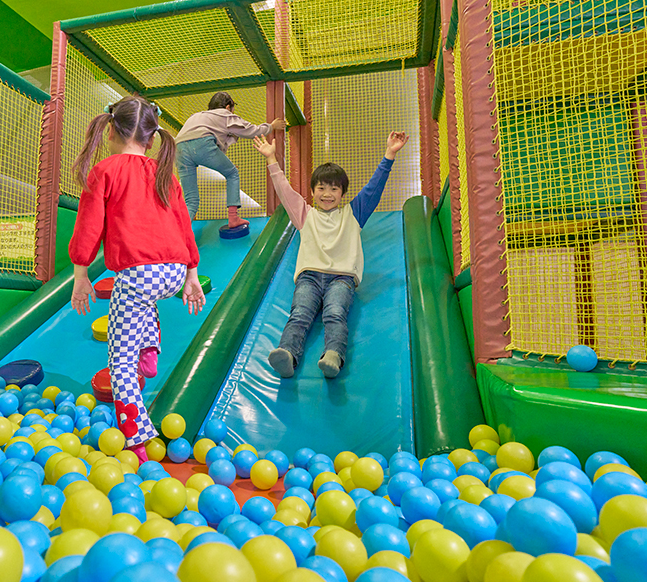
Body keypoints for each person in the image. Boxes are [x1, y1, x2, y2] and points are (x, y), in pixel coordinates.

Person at [69, 96, 206, 462]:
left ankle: (136, 439)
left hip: (138, 273)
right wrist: (192, 273)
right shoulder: (164, 173)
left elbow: (88, 227)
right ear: (150, 138)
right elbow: (183, 224)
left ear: (111, 131)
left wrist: (81, 274)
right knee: (140, 301)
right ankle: (149, 349)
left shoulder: (106, 171)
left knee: (119, 363)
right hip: (174, 272)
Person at [253, 131, 409, 378]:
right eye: (321, 188)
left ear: (342, 193)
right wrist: (272, 160)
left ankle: (333, 356)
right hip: (309, 277)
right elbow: (284, 191)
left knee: (335, 313)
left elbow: (373, 189)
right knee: (299, 314)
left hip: (341, 278)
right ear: (313, 191)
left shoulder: (353, 213)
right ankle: (287, 354)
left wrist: (389, 154)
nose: (327, 194)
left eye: (334, 189)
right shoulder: (305, 215)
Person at [174, 91, 286, 227]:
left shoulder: (197, 116)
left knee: (191, 200)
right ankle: (233, 218)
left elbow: (206, 147)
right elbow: (252, 131)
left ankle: (176, 232)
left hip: (178, 149)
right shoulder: (224, 114)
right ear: (228, 107)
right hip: (202, 143)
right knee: (232, 173)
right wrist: (271, 126)